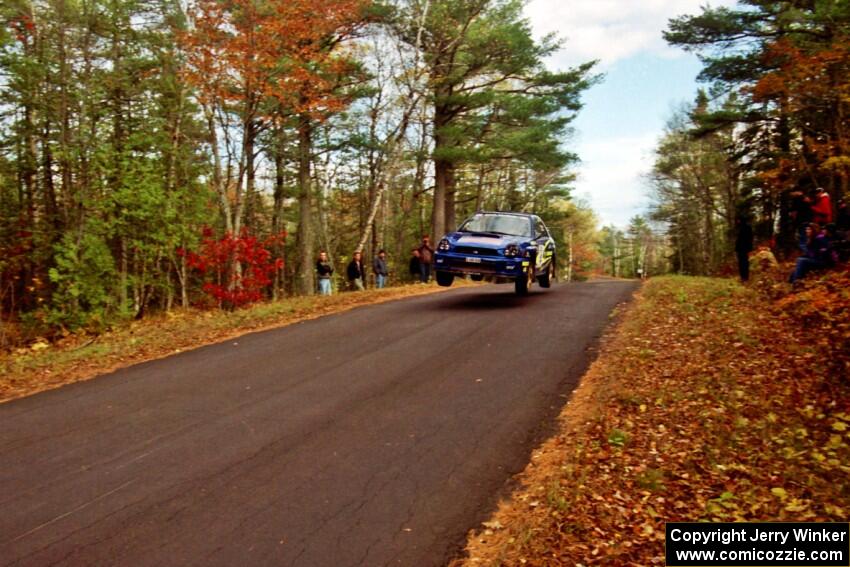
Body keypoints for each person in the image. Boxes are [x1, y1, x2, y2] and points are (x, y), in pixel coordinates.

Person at [734, 216, 754, 282]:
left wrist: (749, 248)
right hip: (743, 248)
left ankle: (744, 277)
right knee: (743, 263)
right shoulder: (743, 228)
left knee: (743, 263)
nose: (737, 221)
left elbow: (749, 239)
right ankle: (743, 277)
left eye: (738, 220)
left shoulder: (745, 228)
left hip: (743, 248)